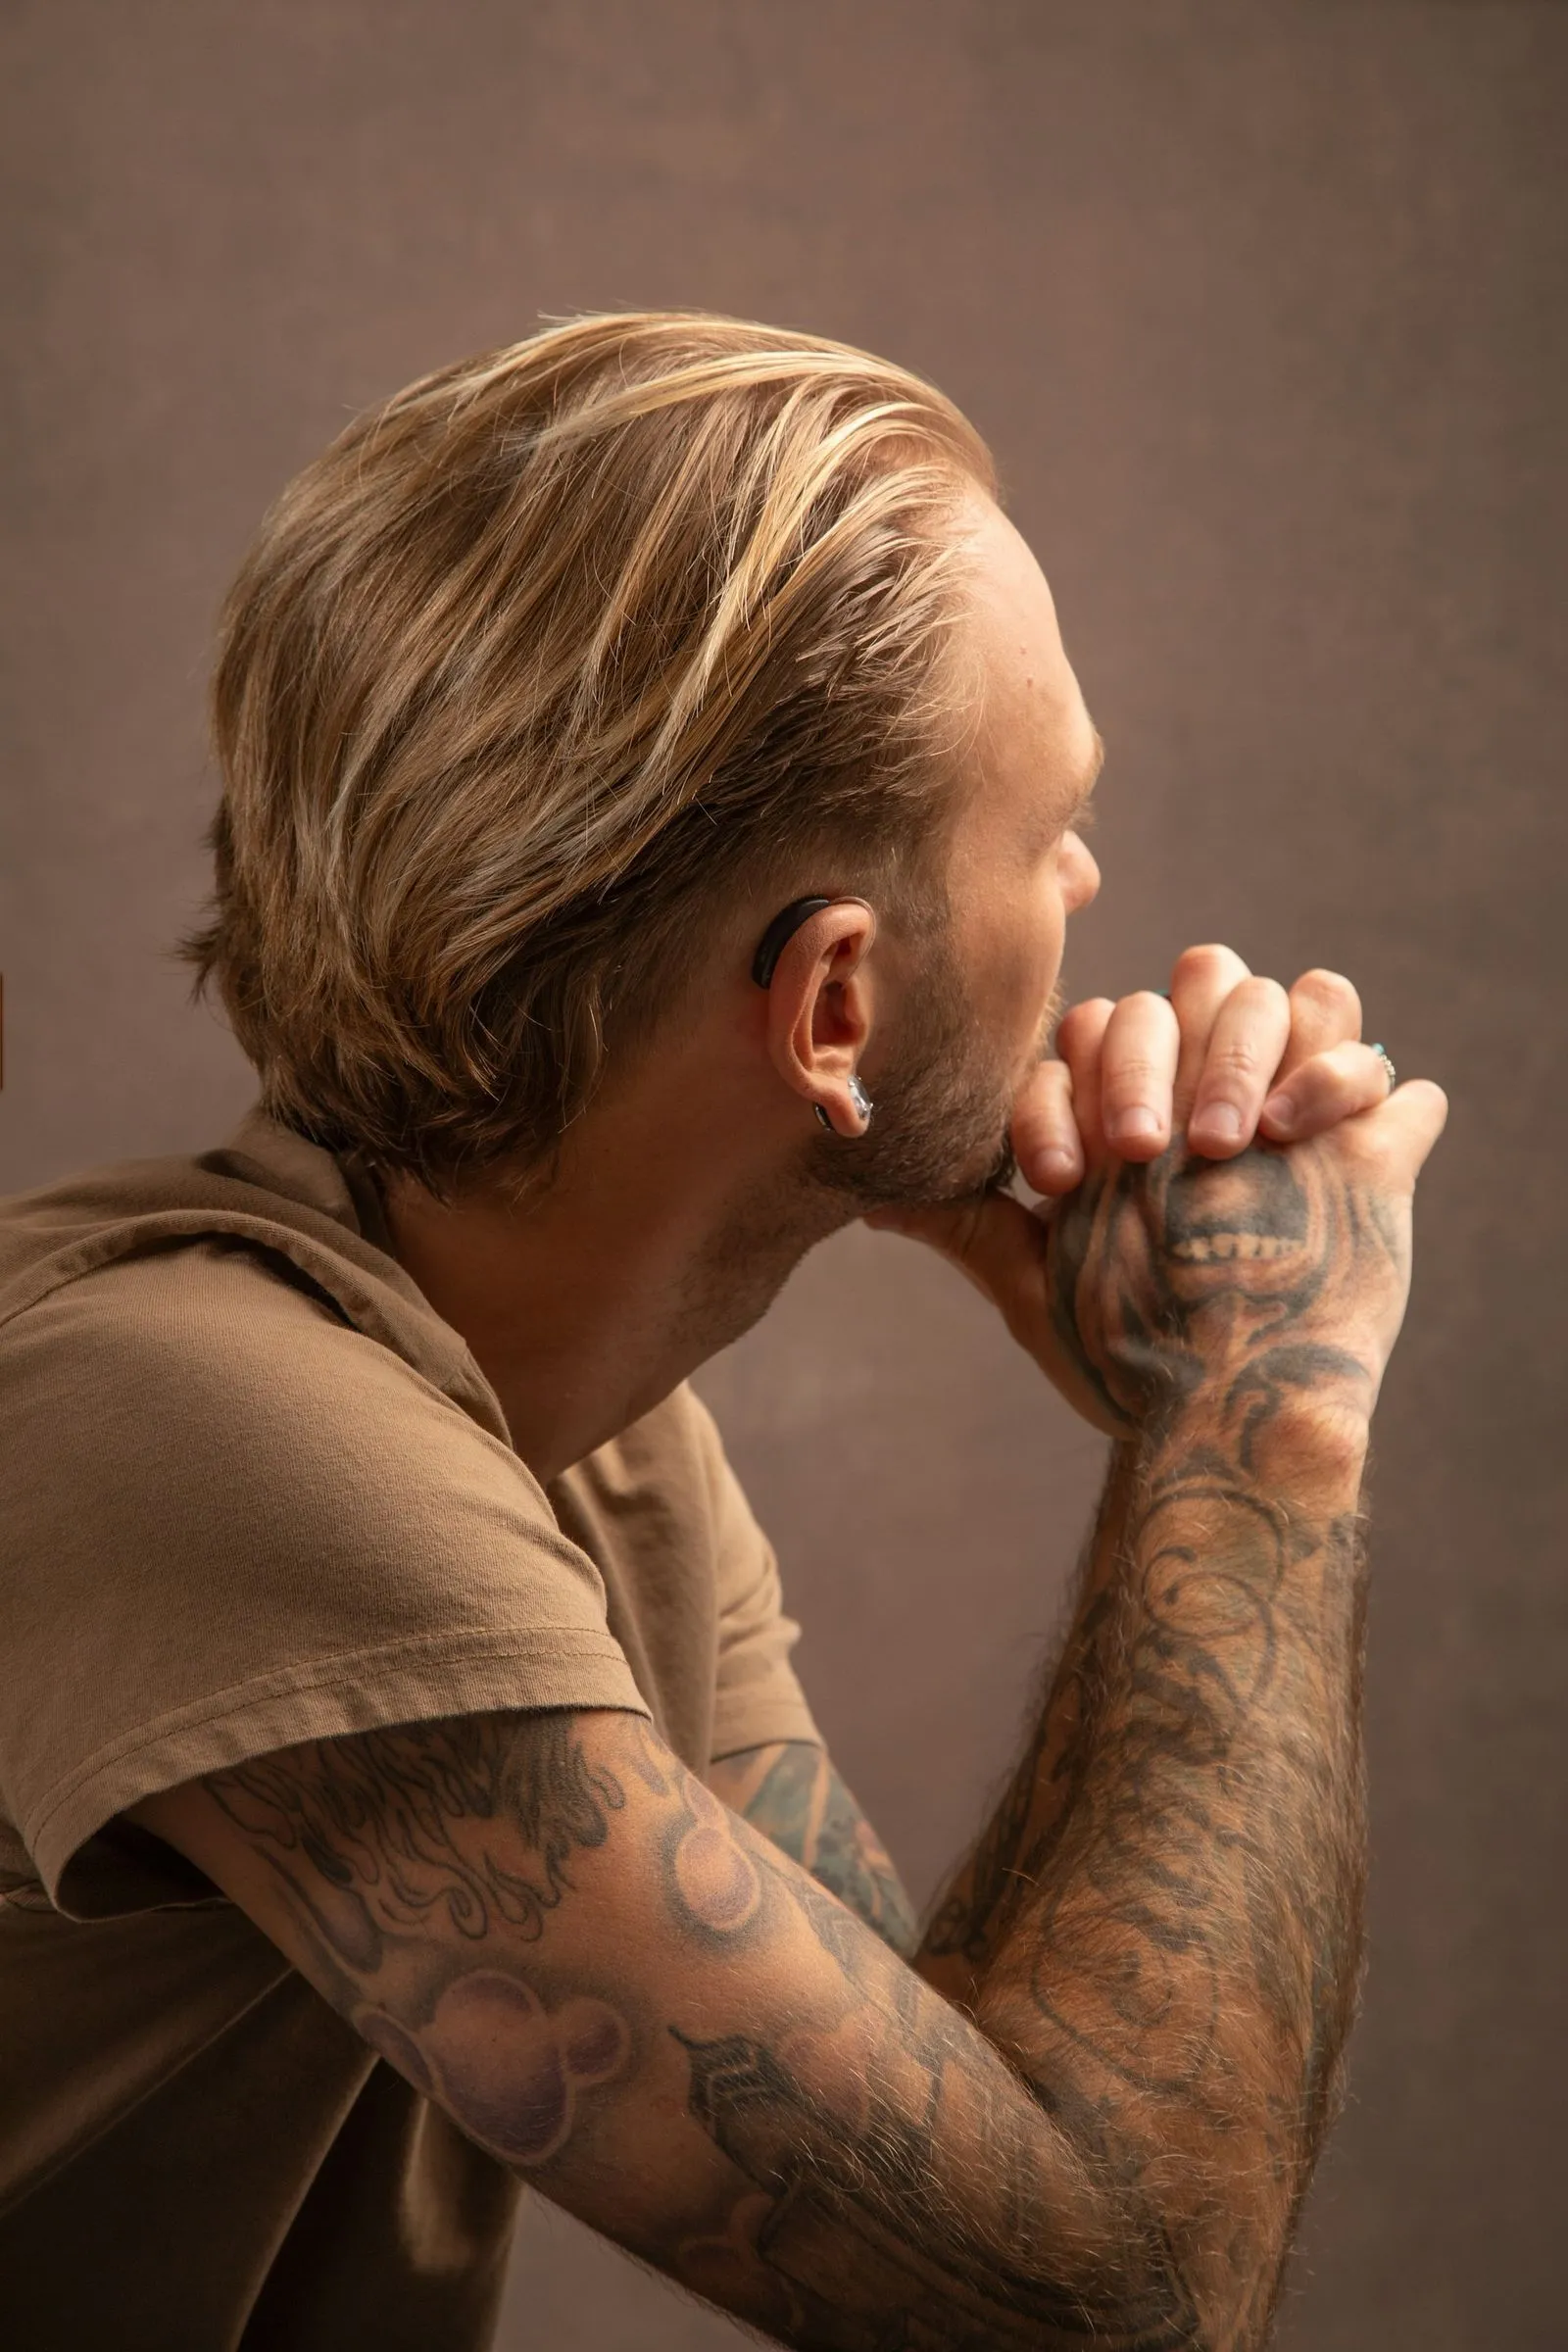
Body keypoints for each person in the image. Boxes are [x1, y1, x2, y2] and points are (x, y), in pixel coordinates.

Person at [0, 313, 1445, 2351]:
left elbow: (969, 2132)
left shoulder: (573, 1445)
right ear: (832, 1007)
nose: (1092, 890)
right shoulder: (207, 1435)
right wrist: (1248, 1428)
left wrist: (1175, 1431)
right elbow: (1101, 2299)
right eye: (1045, 834)